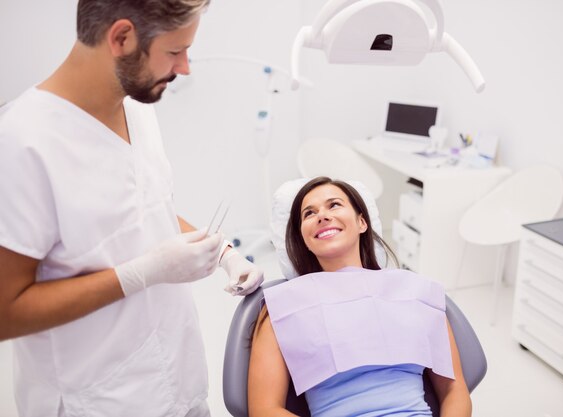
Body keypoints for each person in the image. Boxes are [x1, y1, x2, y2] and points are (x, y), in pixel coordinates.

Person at [0, 1, 264, 416]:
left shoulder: (137, 107)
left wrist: (224, 253)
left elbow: (148, 209)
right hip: (99, 400)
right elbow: (6, 312)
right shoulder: (22, 143)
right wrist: (139, 274)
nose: (186, 67)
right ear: (121, 37)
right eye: (175, 52)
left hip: (177, 381)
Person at [248, 177, 471, 417]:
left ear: (362, 222)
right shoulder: (284, 306)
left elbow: (454, 389)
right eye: (309, 213)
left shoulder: (414, 290)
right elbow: (264, 409)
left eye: (334, 205)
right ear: (304, 238)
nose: (322, 216)